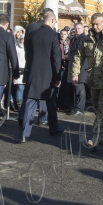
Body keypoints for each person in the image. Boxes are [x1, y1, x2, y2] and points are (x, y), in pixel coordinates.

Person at [72, 13, 103, 149]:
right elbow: (78, 55)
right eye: (93, 24)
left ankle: (96, 136)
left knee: (102, 108)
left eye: (97, 24)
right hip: (93, 79)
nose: (94, 26)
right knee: (97, 108)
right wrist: (75, 73)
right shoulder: (88, 39)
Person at [20, 9, 63, 142]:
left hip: (33, 71)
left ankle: (24, 133)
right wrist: (57, 76)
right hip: (48, 74)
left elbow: (28, 53)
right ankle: (54, 128)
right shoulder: (54, 35)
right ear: (51, 20)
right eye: (55, 20)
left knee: (30, 102)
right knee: (50, 102)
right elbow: (56, 58)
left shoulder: (32, 34)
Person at [66, 21, 87, 116]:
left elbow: (80, 53)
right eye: (76, 28)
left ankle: (80, 108)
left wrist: (69, 56)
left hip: (81, 67)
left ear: (83, 29)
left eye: (79, 28)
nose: (77, 30)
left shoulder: (84, 38)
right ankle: (76, 106)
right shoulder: (75, 38)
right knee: (75, 88)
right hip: (73, 65)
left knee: (80, 88)